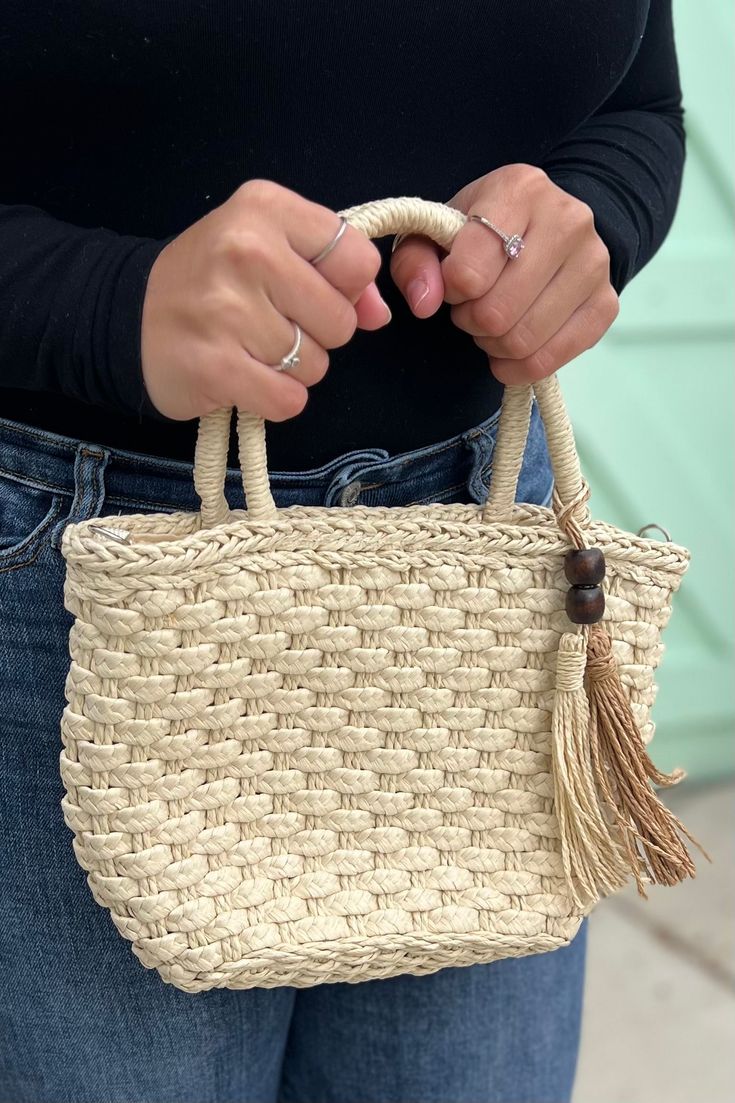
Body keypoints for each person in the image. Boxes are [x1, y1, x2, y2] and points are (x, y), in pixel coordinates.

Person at [0, 3, 684, 1101]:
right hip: (77, 578)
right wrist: (106, 303)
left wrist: (589, 222)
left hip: (485, 582)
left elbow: (641, 109)